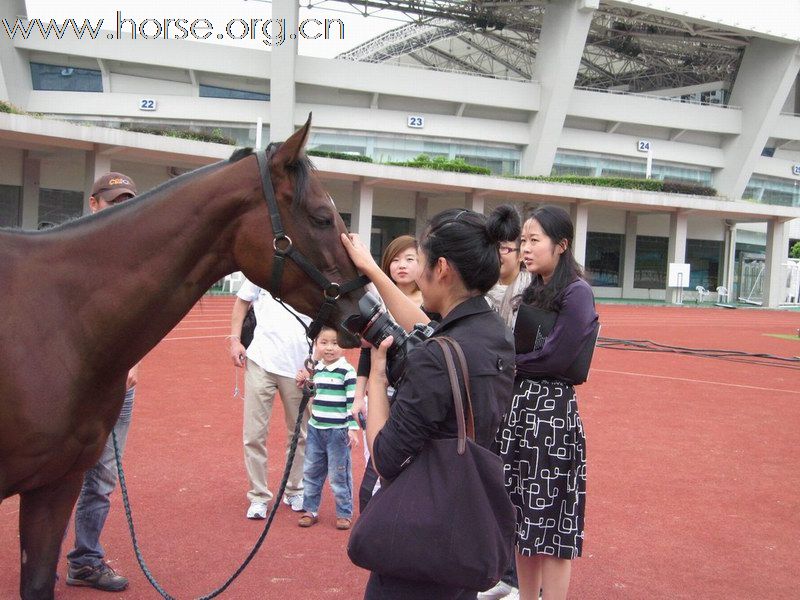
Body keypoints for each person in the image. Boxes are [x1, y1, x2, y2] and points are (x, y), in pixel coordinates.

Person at [340, 208, 516, 600]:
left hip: (418, 543)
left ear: (441, 268)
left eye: (418, 262)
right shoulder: (495, 334)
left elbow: (384, 457)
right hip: (464, 530)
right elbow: (431, 329)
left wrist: (380, 376)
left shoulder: (436, 357)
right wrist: (371, 268)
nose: (416, 273)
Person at [495, 205, 598, 600]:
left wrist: (509, 363)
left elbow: (558, 357)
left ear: (562, 245)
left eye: (535, 240)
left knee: (553, 522)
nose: (526, 247)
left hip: (552, 416)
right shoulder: (530, 288)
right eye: (524, 240)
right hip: (519, 410)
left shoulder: (577, 293)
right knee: (521, 517)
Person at [66, 172, 140, 592]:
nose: (121, 207)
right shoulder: (69, 253)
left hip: (120, 388)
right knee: (55, 475)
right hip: (73, 390)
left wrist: (133, 360)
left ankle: (86, 560)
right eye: (114, 201)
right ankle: (41, 558)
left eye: (128, 200)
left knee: (102, 478)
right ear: (93, 204)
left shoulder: (135, 258)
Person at [351, 234, 424, 512]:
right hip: (382, 394)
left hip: (412, 400)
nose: (401, 266)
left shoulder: (430, 303)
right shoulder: (377, 302)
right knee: (376, 462)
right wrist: (359, 396)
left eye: (409, 259)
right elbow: (367, 354)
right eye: (394, 260)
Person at [229, 280, 311, 519]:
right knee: (254, 434)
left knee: (299, 434)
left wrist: (313, 364)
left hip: (299, 367)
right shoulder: (262, 269)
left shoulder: (312, 270)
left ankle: (295, 489)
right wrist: (234, 339)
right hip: (260, 361)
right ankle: (258, 495)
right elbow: (242, 301)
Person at [480, 204, 528, 600]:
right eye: (493, 247)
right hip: (487, 403)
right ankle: (498, 572)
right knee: (488, 488)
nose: (500, 257)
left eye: (507, 249)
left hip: (521, 405)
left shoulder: (532, 291)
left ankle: (518, 579)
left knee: (517, 492)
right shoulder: (479, 289)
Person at [294, 326, 359, 530]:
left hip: (337, 432)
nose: (329, 348)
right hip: (315, 430)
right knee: (311, 471)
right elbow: (315, 393)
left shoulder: (347, 372)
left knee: (339, 474)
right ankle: (310, 509)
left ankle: (344, 512)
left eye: (335, 343)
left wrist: (352, 428)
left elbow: (352, 402)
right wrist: (306, 384)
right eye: (324, 343)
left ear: (344, 346)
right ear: (316, 344)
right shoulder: (318, 368)